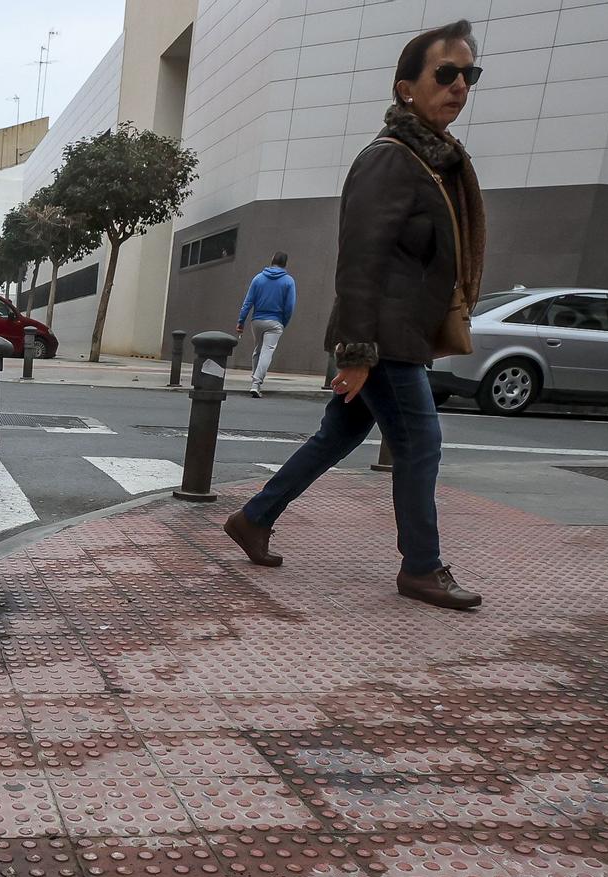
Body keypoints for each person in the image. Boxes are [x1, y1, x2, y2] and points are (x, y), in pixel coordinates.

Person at [223, 19, 487, 611]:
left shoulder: (433, 162)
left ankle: (255, 516)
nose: (460, 86)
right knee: (420, 444)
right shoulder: (391, 160)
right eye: (446, 74)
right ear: (405, 87)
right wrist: (359, 354)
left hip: (396, 336)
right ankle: (422, 567)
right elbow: (360, 264)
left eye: (470, 75)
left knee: (337, 435)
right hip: (384, 340)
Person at [236, 253, 296, 397]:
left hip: (257, 321)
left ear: (271, 261)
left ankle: (254, 381)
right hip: (275, 322)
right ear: (285, 264)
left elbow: (248, 302)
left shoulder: (258, 278)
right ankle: (256, 384)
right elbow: (290, 306)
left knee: (258, 349)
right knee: (267, 351)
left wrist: (241, 321)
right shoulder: (288, 281)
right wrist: (283, 322)